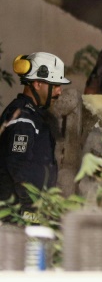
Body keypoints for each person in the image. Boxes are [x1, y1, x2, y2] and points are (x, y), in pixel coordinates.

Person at [0, 53, 70, 210]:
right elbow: (18, 167)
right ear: (37, 83)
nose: (59, 92)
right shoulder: (22, 118)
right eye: (56, 85)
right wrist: (30, 209)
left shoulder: (33, 115)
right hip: (17, 214)